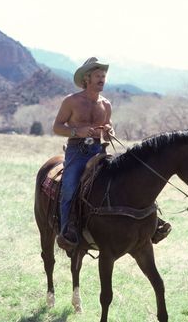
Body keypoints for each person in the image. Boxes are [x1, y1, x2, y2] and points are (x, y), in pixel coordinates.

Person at [53, 57, 114, 250]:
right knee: (69, 187)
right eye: (98, 76)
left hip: (98, 149)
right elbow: (56, 127)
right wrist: (75, 132)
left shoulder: (106, 104)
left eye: (104, 76)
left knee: (120, 177)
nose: (102, 79)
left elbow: (108, 128)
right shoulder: (71, 101)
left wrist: (109, 132)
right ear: (87, 78)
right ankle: (66, 232)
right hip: (77, 150)